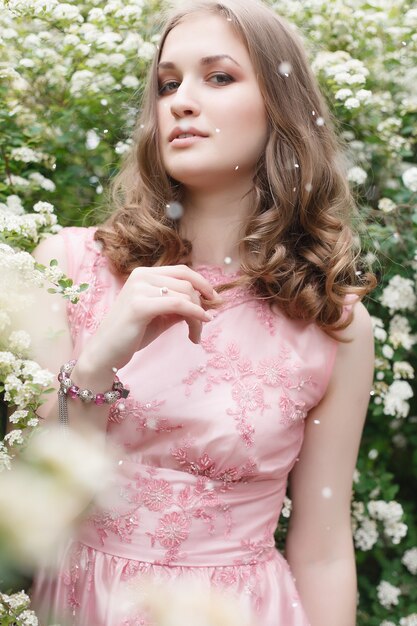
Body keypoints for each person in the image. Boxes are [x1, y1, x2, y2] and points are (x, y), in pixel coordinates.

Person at [28, 1, 375, 624]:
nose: (181, 101)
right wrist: (99, 361)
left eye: (219, 77)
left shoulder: (332, 321)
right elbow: (35, 506)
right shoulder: (68, 267)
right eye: (168, 84)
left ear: (280, 107)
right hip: (85, 605)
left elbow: (322, 549)